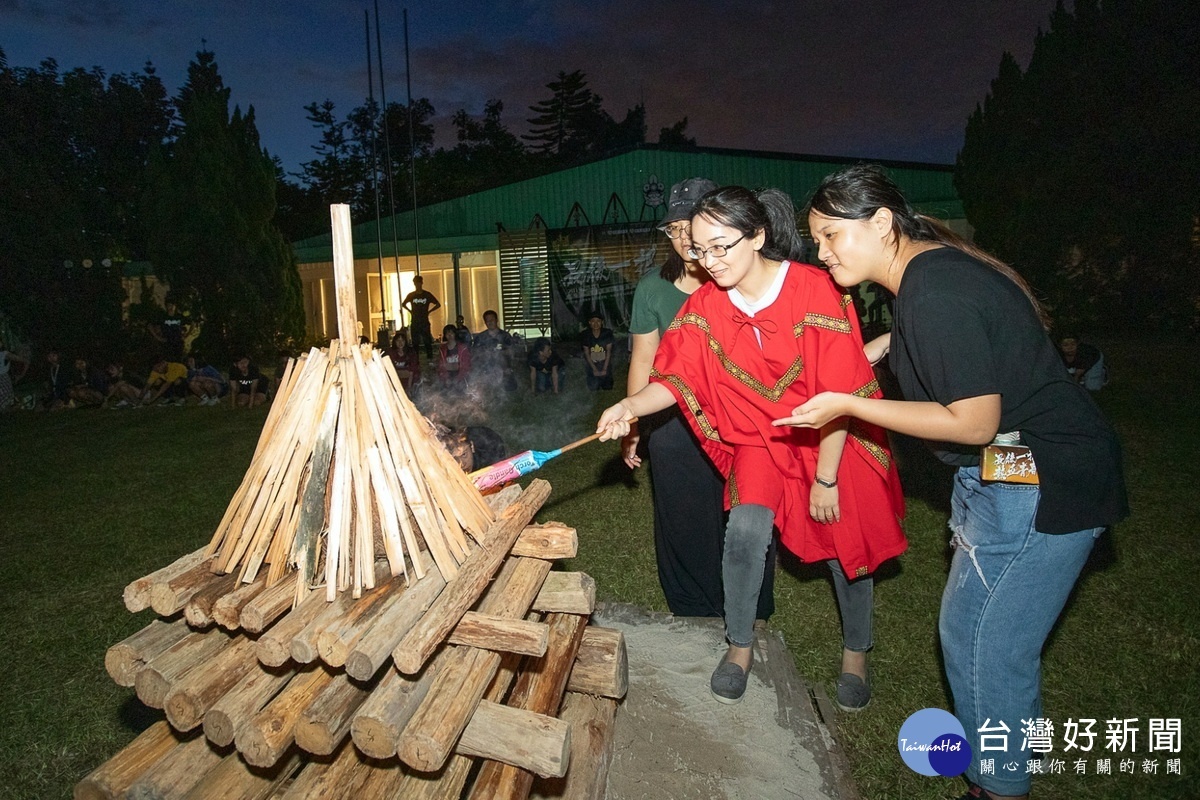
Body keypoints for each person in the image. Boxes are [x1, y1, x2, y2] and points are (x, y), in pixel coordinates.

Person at [786, 164, 1128, 800]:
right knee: (967, 631)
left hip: (1044, 480)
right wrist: (890, 343)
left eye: (832, 235)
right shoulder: (930, 271)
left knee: (989, 648)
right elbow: (976, 344)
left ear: (882, 222)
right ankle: (998, 770)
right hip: (1014, 470)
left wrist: (849, 403)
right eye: (817, 240)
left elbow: (971, 422)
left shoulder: (933, 290)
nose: (823, 251)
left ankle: (997, 787)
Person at [597, 186, 907, 708]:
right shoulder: (705, 306)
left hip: (829, 435)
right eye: (698, 249)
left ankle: (856, 652)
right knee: (743, 531)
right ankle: (740, 645)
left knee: (844, 544)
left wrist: (826, 478)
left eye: (721, 246)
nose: (709, 261)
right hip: (761, 439)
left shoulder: (815, 291)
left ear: (758, 235)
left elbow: (841, 395)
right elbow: (674, 376)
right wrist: (631, 408)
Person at [623, 176, 778, 623]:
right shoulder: (653, 288)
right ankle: (694, 609)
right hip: (672, 417)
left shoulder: (739, 281)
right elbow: (643, 360)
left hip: (742, 418)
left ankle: (749, 612)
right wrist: (633, 424)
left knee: (746, 514)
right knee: (684, 517)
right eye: (672, 230)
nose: (683, 240)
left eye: (689, 228)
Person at [472, 309, 516, 391]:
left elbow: (512, 352)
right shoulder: (480, 337)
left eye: (492, 320)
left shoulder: (505, 336)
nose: (490, 322)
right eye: (487, 320)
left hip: (503, 368)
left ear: (497, 320)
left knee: (510, 387)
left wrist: (499, 353)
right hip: (485, 368)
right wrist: (485, 354)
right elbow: (475, 353)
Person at [402, 276, 441, 361]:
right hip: (415, 321)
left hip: (424, 321)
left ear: (421, 283)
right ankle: (416, 361)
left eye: (419, 282)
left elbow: (438, 304)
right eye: (416, 283)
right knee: (415, 343)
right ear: (414, 284)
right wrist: (410, 311)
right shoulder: (412, 295)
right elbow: (403, 304)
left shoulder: (427, 295)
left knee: (427, 341)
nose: (417, 284)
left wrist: (429, 311)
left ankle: (429, 359)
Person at [580, 312, 614, 391]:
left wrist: (605, 369)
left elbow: (609, 352)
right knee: (593, 388)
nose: (595, 324)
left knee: (607, 387)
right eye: (593, 321)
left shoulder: (607, 333)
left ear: (602, 322)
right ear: (589, 323)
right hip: (592, 363)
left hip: (604, 362)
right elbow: (587, 353)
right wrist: (594, 369)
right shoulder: (585, 335)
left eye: (598, 321)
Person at [0, 338, 29, 411]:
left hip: (3, 378)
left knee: (6, 398)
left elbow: (23, 361)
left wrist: (20, 375)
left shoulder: (5, 354)